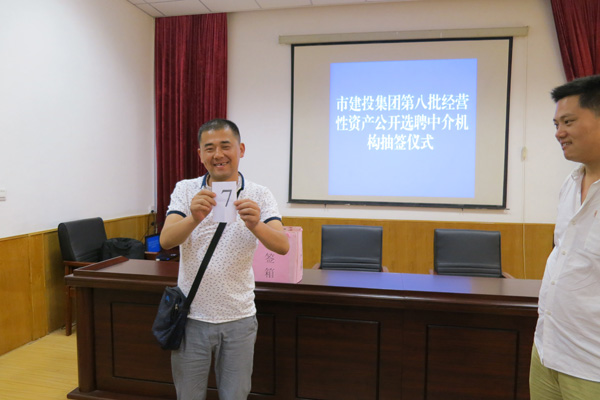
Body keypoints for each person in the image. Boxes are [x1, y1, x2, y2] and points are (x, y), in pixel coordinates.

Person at [160, 118, 289, 400]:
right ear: (200, 154)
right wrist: (193, 218)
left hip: (239, 318)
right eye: (209, 148)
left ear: (240, 149)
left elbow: (282, 246)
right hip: (191, 317)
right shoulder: (185, 190)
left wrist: (256, 224)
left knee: (235, 396)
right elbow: (166, 241)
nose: (218, 154)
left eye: (225, 146)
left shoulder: (259, 194)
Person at [530, 75, 600, 399]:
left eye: (568, 122)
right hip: (548, 350)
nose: (559, 133)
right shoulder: (570, 184)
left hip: (591, 364)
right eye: (556, 124)